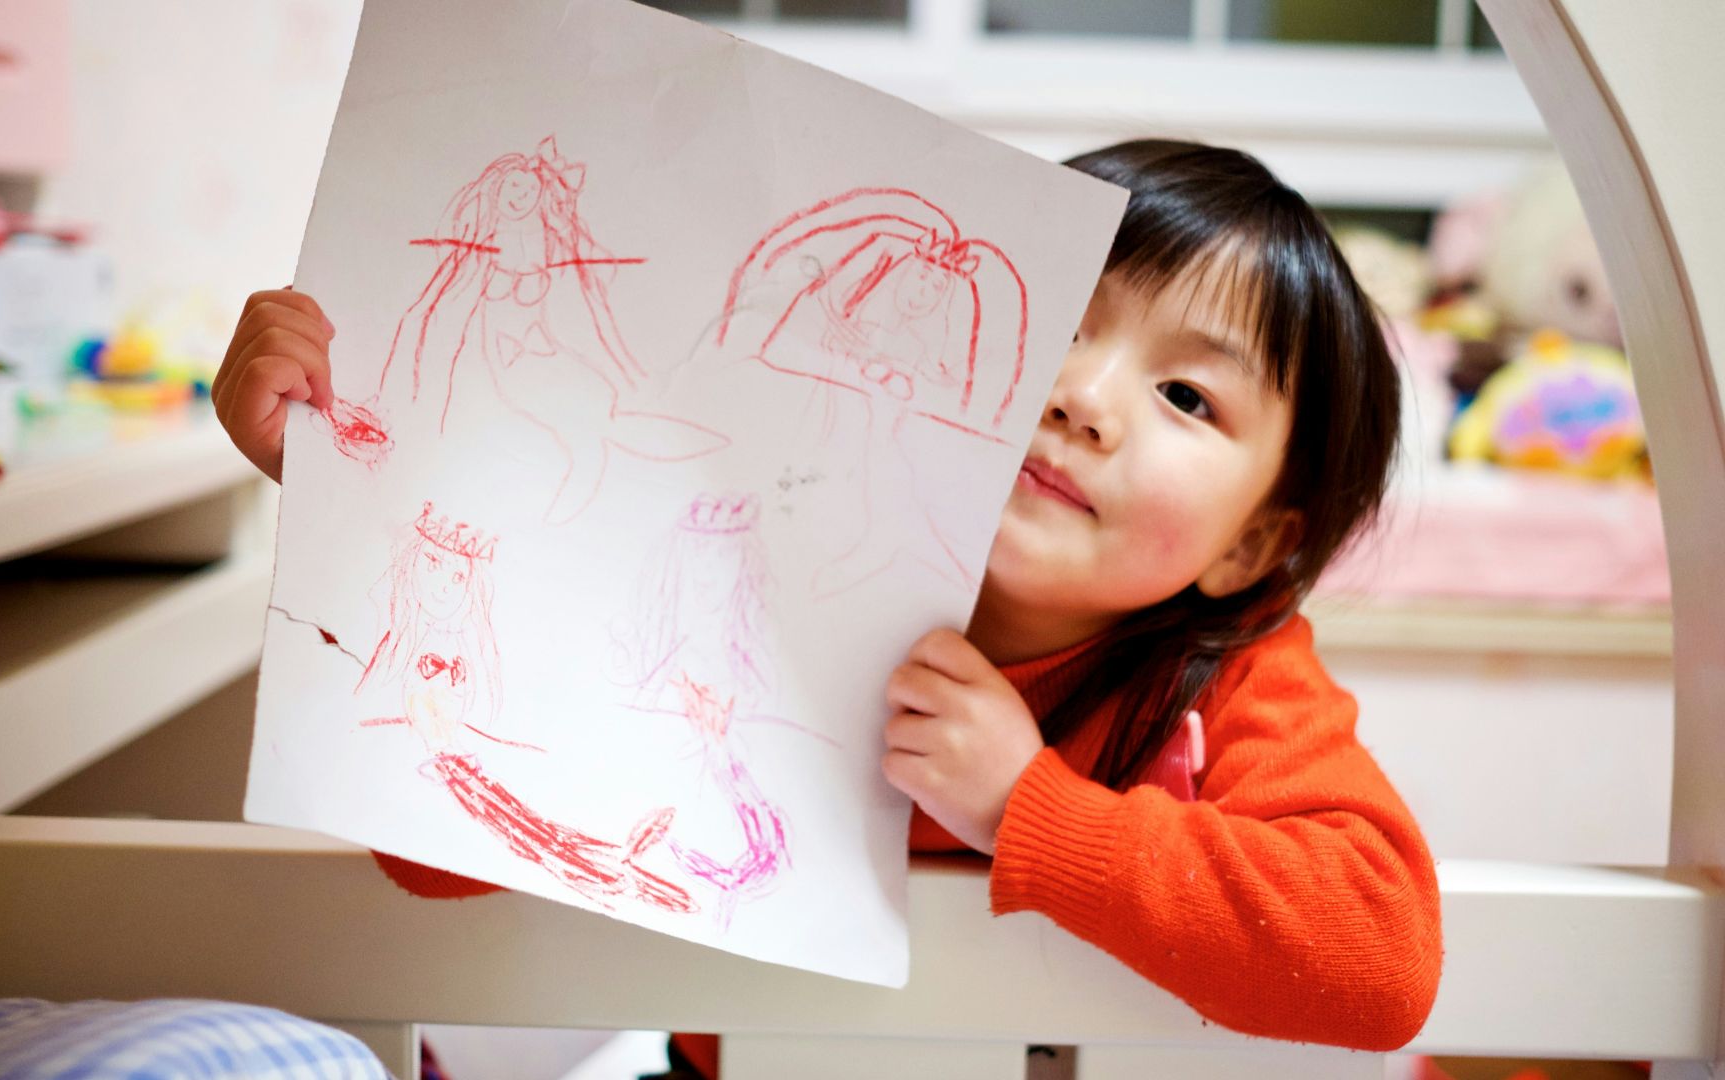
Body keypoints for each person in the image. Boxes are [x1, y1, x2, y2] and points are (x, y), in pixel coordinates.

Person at [213, 138, 1441, 1076]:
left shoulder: (1232, 674)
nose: (1081, 395)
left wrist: (1031, 810)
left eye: (1185, 395)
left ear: (1257, 546)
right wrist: (359, 488)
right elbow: (434, 865)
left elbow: (1382, 958)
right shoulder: (764, 570)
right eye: (1058, 321)